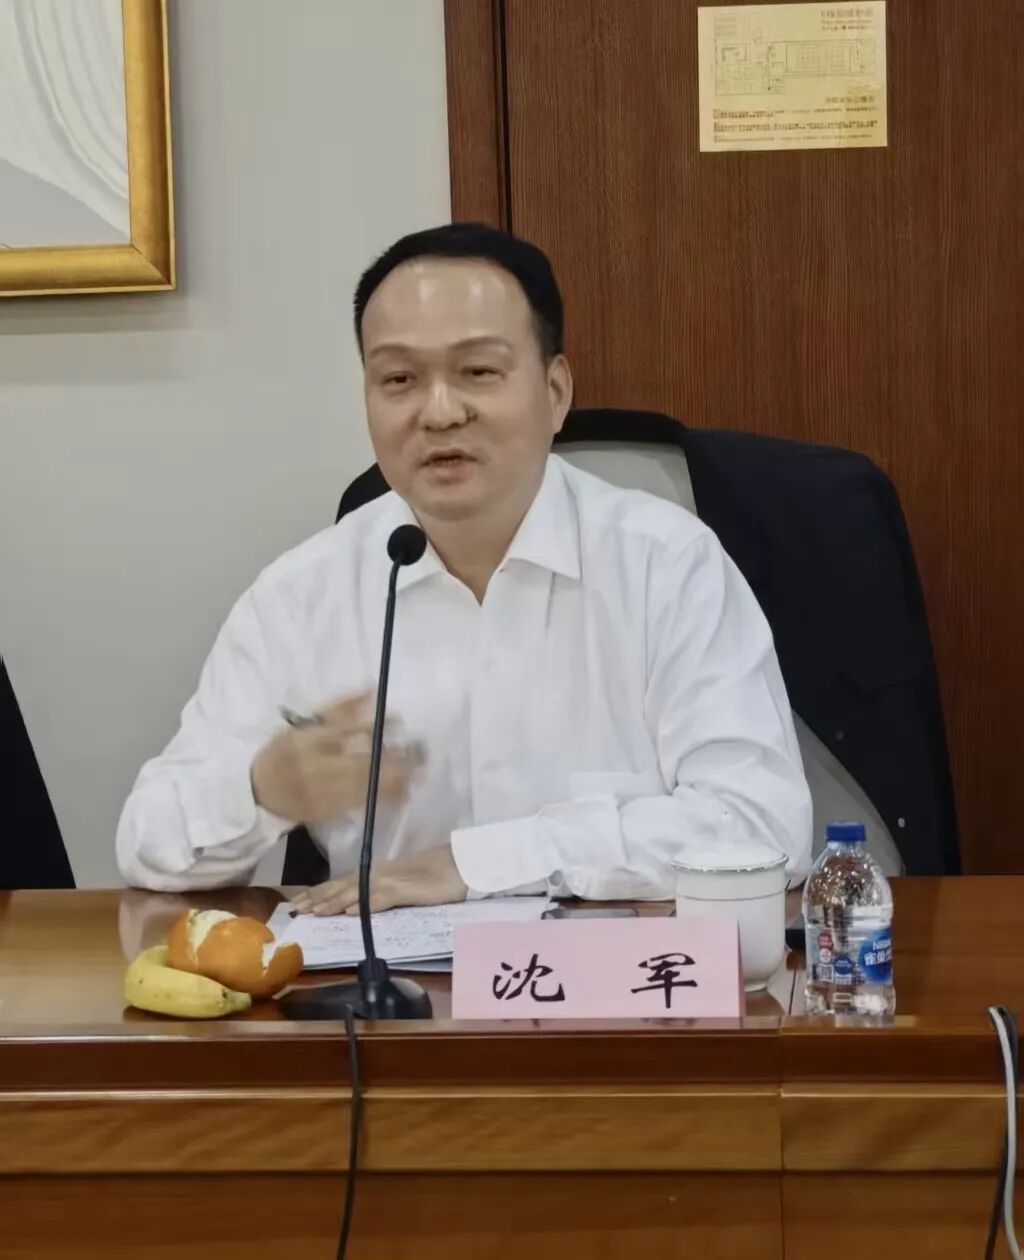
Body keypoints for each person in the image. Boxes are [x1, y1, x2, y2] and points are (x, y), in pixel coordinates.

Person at [117, 222, 812, 914]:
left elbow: (761, 825)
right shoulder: (303, 596)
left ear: (556, 391)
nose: (441, 412)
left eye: (479, 371)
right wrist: (261, 792)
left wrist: (479, 863)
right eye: (399, 379)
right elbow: (147, 842)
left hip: (620, 973)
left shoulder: (666, 565)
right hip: (389, 979)